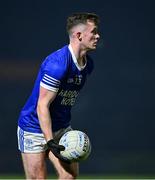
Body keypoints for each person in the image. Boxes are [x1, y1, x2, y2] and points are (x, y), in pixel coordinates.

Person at [17, 12, 100, 179]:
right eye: (94, 31)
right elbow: (42, 105)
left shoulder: (88, 64)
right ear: (79, 35)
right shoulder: (58, 64)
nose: (98, 36)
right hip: (33, 127)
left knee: (69, 176)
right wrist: (50, 142)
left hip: (61, 127)